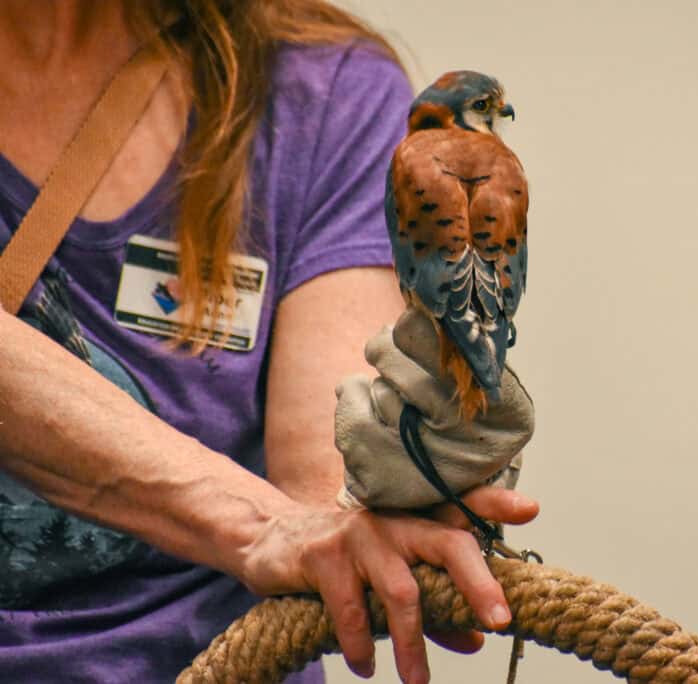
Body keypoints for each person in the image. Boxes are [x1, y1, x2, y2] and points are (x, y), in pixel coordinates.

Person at [0, 2, 538, 683]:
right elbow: (284, 527)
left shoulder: (325, 89)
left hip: (217, 662)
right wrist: (262, 527)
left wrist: (411, 481)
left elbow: (330, 488)